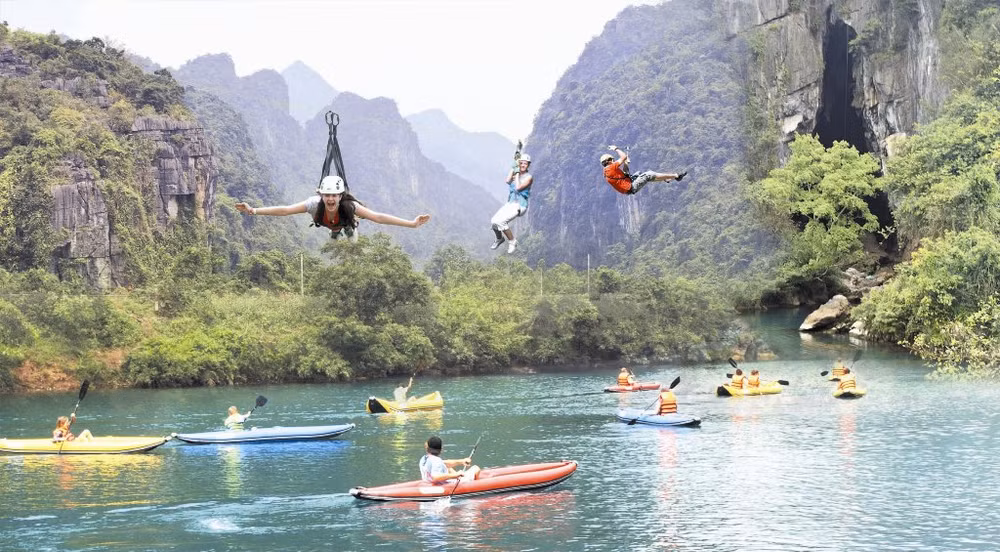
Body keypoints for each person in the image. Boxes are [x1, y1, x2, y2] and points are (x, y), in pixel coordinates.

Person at [235, 175, 431, 239]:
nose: (330, 199)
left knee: (350, 239)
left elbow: (378, 217)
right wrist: (253, 210)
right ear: (321, 195)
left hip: (345, 222)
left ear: (340, 196)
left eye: (334, 195)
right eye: (327, 195)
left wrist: (411, 224)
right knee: (335, 239)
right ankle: (336, 233)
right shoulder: (314, 204)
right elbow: (285, 210)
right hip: (329, 225)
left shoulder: (350, 206)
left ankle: (347, 230)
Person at [601, 145, 687, 195]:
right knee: (648, 174)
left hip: (628, 184)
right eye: (612, 160)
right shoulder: (611, 167)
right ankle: (677, 176)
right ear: (609, 161)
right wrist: (616, 148)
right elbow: (623, 156)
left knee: (641, 174)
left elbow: (624, 174)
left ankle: (665, 179)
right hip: (631, 187)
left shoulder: (607, 171)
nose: (614, 161)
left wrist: (626, 163)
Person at [490, 155, 533, 254]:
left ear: (528, 165)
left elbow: (518, 187)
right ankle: (499, 238)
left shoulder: (528, 178)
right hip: (510, 203)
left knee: (501, 222)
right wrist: (514, 166)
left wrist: (517, 172)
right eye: (521, 163)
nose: (523, 165)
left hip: (520, 205)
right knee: (494, 222)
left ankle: (512, 241)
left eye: (525, 163)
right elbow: (508, 180)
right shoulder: (515, 174)